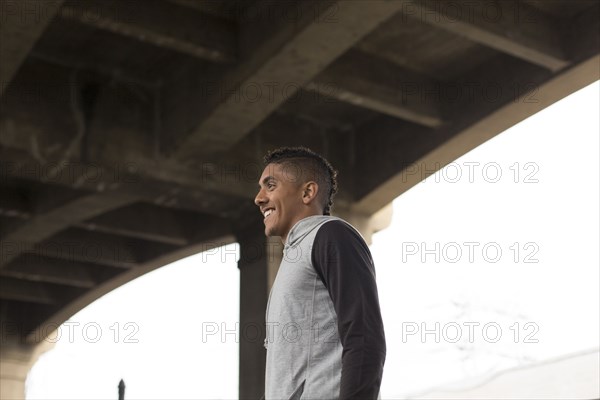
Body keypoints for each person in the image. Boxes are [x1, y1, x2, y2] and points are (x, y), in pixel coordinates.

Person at [254, 147, 386, 399]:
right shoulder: (294, 257)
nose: (258, 198)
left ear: (307, 192)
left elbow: (364, 335)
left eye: (270, 185)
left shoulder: (331, 235)